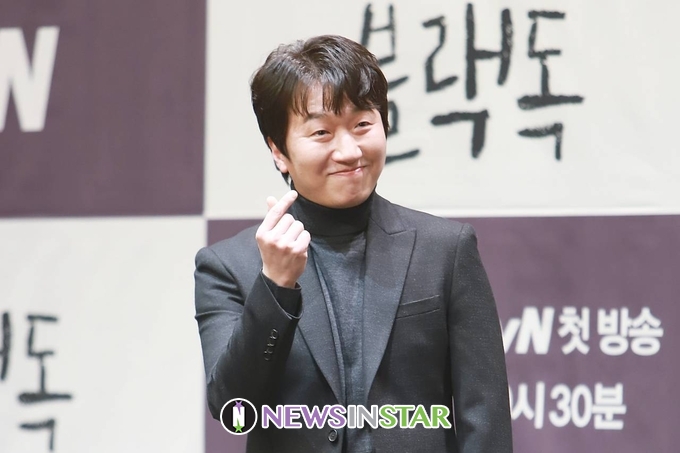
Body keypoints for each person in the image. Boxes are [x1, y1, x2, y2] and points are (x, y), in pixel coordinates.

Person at [194, 34, 512, 453]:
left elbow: (484, 415)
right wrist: (275, 287)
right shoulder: (228, 265)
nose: (349, 150)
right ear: (278, 151)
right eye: (321, 132)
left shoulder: (445, 250)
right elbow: (233, 409)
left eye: (362, 125)